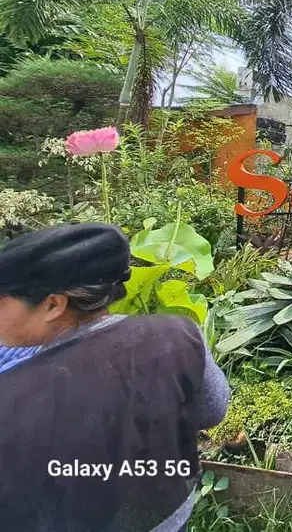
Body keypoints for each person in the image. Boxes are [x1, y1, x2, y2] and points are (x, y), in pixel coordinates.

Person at [0, 223, 231, 532]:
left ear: (54, 304)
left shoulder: (14, 391)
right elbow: (212, 410)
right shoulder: (180, 335)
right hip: (169, 515)